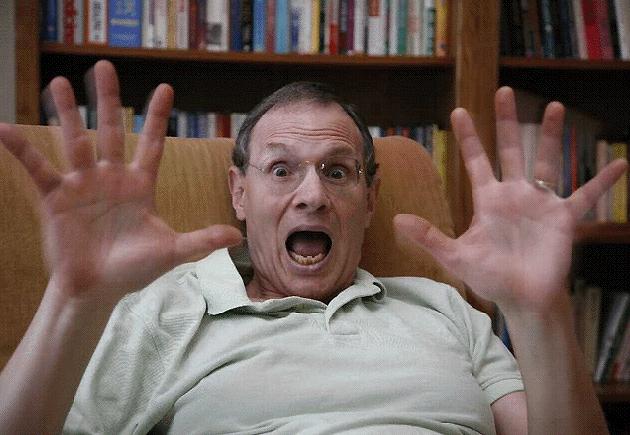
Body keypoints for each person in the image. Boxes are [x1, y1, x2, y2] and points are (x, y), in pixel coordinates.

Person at [0, 60, 625, 434]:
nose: (312, 196)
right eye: (281, 170)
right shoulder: (164, 310)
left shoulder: (442, 307)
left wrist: (540, 313)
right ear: (239, 193)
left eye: (337, 171)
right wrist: (73, 299)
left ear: (369, 200)